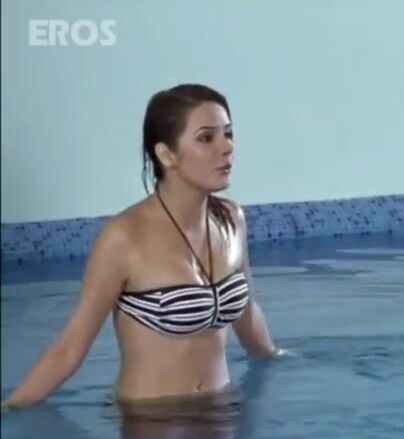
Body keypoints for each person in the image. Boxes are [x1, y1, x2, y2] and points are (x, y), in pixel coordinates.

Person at [1, 83, 289, 414]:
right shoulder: (124, 238)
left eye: (228, 134)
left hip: (223, 412)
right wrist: (11, 407)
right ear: (166, 154)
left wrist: (278, 359)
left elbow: (248, 312)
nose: (226, 147)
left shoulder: (231, 220)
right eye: (206, 138)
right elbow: (69, 349)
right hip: (152, 424)